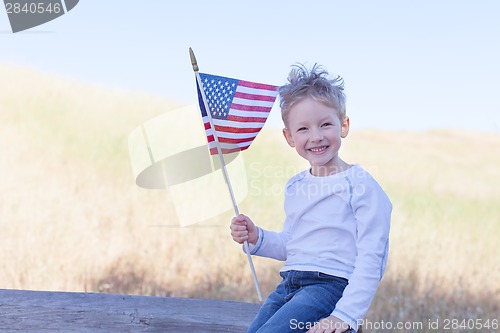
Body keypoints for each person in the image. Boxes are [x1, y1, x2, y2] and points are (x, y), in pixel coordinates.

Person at [230, 64, 392, 333]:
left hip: (330, 287)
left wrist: (344, 316)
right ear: (289, 137)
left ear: (344, 125)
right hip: (288, 286)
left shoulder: (361, 185)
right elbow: (292, 245)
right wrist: (257, 237)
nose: (316, 136)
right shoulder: (296, 186)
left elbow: (372, 258)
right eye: (303, 129)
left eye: (325, 124)